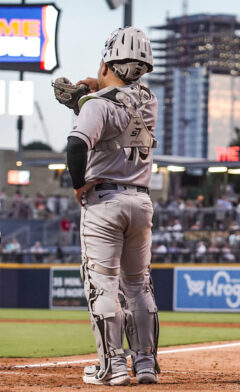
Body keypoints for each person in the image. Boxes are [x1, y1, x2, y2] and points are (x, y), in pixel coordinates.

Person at [65, 27, 159, 386]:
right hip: (141, 201)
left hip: (104, 201)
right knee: (138, 287)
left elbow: (77, 145)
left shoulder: (98, 105)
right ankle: (146, 364)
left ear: (107, 62)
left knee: (101, 286)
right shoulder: (149, 101)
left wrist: (78, 184)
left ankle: (113, 367)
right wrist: (94, 89)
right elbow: (123, 100)